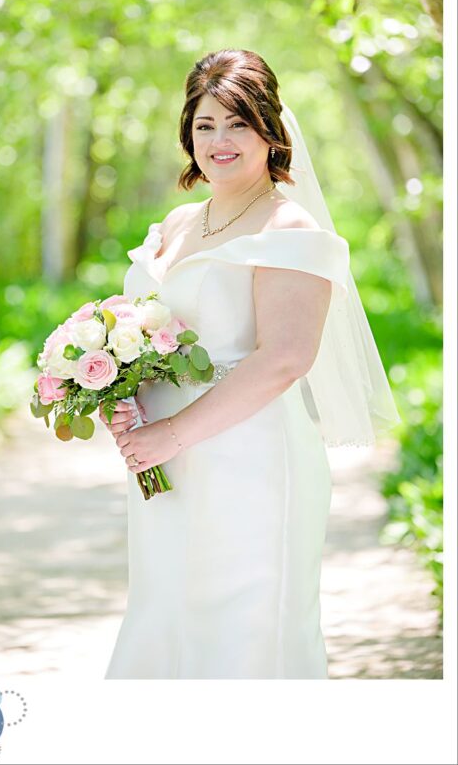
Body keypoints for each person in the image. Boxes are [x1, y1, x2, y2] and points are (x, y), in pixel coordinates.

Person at [99, 50, 398, 678]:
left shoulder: (289, 225)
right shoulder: (179, 223)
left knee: (241, 623)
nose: (219, 140)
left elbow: (285, 359)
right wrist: (118, 389)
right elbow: (149, 332)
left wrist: (170, 433)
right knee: (167, 608)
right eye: (205, 125)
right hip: (163, 461)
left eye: (237, 123)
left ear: (270, 129)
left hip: (250, 459)